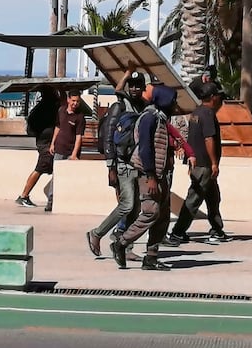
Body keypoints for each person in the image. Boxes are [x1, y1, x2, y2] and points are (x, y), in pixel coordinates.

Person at [111, 84, 178, 271]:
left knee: (162, 216)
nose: (175, 104)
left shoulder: (161, 118)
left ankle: (151, 258)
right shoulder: (149, 117)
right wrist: (150, 176)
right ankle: (121, 242)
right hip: (149, 175)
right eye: (172, 100)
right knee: (151, 212)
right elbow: (146, 149)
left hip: (160, 174)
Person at [86, 69, 147, 258]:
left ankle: (125, 247)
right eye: (132, 85)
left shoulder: (143, 106)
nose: (135, 88)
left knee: (136, 208)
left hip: (138, 164)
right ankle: (97, 233)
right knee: (127, 204)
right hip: (122, 164)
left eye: (139, 86)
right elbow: (109, 138)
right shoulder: (119, 106)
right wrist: (110, 166)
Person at [165, 82, 231, 246]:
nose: (220, 99)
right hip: (205, 165)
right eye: (218, 95)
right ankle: (178, 233)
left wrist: (190, 161)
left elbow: (192, 138)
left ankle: (217, 229)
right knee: (193, 199)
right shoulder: (207, 114)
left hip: (200, 164)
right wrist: (214, 163)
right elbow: (208, 139)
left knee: (213, 197)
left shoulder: (196, 113)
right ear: (212, 97)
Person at [16, 85, 61, 208]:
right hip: (45, 143)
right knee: (40, 168)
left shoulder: (44, 106)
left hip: (44, 141)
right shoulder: (49, 107)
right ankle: (24, 195)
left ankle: (29, 196)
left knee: (49, 168)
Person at [45, 90, 85, 212]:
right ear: (68, 100)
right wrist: (52, 143)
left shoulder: (80, 117)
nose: (75, 103)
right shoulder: (61, 111)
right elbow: (58, 127)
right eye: (73, 101)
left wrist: (74, 154)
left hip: (71, 151)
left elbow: (79, 137)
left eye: (77, 101)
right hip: (59, 149)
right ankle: (50, 202)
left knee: (69, 178)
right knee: (56, 176)